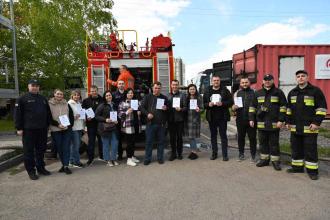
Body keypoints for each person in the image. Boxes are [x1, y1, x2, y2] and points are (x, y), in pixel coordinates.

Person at [286, 70, 327, 180]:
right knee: (296, 148)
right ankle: (297, 168)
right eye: (298, 76)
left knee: (310, 150)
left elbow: (322, 109)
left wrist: (316, 123)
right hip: (295, 128)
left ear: (307, 78)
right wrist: (288, 122)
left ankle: (312, 171)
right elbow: (289, 110)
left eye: (303, 76)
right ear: (296, 79)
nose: (300, 78)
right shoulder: (292, 92)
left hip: (310, 128)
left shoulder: (315, 91)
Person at [14, 79, 51, 180]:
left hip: (42, 129)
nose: (35, 87)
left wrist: (48, 125)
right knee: (29, 151)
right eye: (33, 85)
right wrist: (19, 128)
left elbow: (47, 113)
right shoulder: (22, 98)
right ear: (28, 86)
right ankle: (31, 171)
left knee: (41, 150)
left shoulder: (43, 98)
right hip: (28, 130)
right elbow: (17, 114)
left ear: (39, 87)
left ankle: (41, 168)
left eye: (37, 85)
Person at [249, 74, 287, 171]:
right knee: (262, 143)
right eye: (265, 80)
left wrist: (281, 120)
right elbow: (252, 107)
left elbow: (283, 107)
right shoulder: (257, 93)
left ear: (273, 81)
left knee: (274, 143)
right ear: (263, 81)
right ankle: (264, 160)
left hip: (275, 124)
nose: (267, 81)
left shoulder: (278, 92)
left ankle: (275, 161)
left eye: (269, 79)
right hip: (261, 124)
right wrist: (251, 119)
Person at [203, 75, 233, 161]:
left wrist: (222, 103)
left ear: (220, 81)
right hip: (211, 117)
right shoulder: (207, 90)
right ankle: (214, 153)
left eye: (218, 80)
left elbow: (231, 102)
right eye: (214, 80)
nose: (216, 82)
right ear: (212, 81)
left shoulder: (225, 90)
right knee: (213, 136)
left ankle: (225, 155)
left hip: (222, 117)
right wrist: (208, 104)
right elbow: (203, 103)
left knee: (223, 136)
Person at [140, 81, 168, 165]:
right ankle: (147, 158)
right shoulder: (147, 97)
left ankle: (160, 158)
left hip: (161, 124)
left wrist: (166, 108)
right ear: (152, 88)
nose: (157, 90)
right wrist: (147, 114)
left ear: (161, 89)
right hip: (150, 124)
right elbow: (141, 107)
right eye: (155, 88)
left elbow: (168, 109)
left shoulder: (164, 98)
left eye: (159, 88)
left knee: (161, 142)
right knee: (149, 142)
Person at [49, 89, 74, 175]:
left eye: (61, 94)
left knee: (66, 147)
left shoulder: (66, 104)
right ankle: (64, 165)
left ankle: (66, 166)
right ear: (54, 94)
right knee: (59, 148)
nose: (59, 95)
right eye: (58, 94)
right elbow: (48, 117)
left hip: (67, 129)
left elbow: (71, 116)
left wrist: (69, 126)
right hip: (56, 129)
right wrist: (57, 125)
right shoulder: (49, 104)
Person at [232, 77, 257, 162]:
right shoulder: (237, 93)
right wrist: (233, 108)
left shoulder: (254, 92)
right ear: (240, 84)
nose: (244, 84)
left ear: (249, 83)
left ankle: (253, 155)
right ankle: (241, 154)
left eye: (246, 82)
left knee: (252, 138)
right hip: (240, 119)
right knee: (240, 137)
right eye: (243, 83)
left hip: (252, 120)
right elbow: (233, 106)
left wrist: (253, 118)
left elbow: (257, 106)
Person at [118, 88, 142, 166]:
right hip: (128, 126)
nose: (130, 94)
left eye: (131, 93)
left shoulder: (136, 102)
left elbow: (140, 109)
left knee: (133, 142)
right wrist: (127, 112)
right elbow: (119, 115)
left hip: (135, 124)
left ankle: (132, 156)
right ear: (126, 94)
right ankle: (128, 159)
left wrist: (139, 112)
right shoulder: (122, 103)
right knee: (129, 143)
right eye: (129, 93)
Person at [95, 91, 119, 167]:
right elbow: (96, 116)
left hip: (113, 127)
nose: (109, 96)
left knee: (115, 143)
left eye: (110, 95)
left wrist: (117, 120)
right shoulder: (102, 105)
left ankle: (113, 159)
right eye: (107, 95)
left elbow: (117, 114)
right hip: (104, 128)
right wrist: (105, 120)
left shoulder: (114, 105)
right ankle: (108, 160)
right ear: (105, 97)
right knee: (106, 144)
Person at [82, 85, 103, 166]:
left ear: (97, 91)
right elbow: (82, 112)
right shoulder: (85, 101)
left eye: (95, 91)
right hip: (90, 125)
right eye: (92, 91)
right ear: (90, 92)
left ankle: (102, 156)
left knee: (101, 141)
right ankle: (90, 159)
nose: (94, 92)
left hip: (100, 124)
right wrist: (87, 117)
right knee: (91, 142)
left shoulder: (102, 100)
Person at [167, 80, 187, 161]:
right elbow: (166, 107)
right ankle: (173, 154)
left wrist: (181, 109)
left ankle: (179, 153)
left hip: (179, 120)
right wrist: (165, 108)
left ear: (178, 86)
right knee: (172, 138)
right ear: (171, 85)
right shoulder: (167, 95)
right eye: (173, 85)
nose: (175, 86)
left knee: (179, 138)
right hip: (171, 120)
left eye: (176, 85)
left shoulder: (182, 95)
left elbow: (186, 107)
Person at [184, 84, 203, 160]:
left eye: (193, 89)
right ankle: (192, 151)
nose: (192, 90)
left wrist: (199, 110)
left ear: (196, 90)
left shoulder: (199, 97)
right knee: (189, 137)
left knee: (192, 137)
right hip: (187, 119)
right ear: (188, 90)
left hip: (195, 119)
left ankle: (194, 152)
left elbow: (202, 108)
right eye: (190, 89)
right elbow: (184, 107)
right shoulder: (186, 97)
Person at [68, 90, 85, 168]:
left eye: (78, 95)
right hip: (73, 127)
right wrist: (74, 117)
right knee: (76, 145)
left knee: (74, 145)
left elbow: (81, 115)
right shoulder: (69, 104)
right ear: (72, 96)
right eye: (75, 95)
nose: (76, 96)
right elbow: (67, 116)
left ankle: (71, 161)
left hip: (79, 126)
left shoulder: (79, 103)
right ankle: (76, 161)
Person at [112, 80, 126, 160]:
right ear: (117, 85)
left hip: (127, 118)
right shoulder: (113, 94)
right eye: (119, 84)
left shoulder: (127, 93)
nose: (121, 85)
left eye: (122, 84)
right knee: (119, 137)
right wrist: (114, 118)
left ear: (124, 85)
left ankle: (130, 155)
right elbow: (112, 107)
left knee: (127, 137)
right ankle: (120, 154)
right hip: (118, 119)